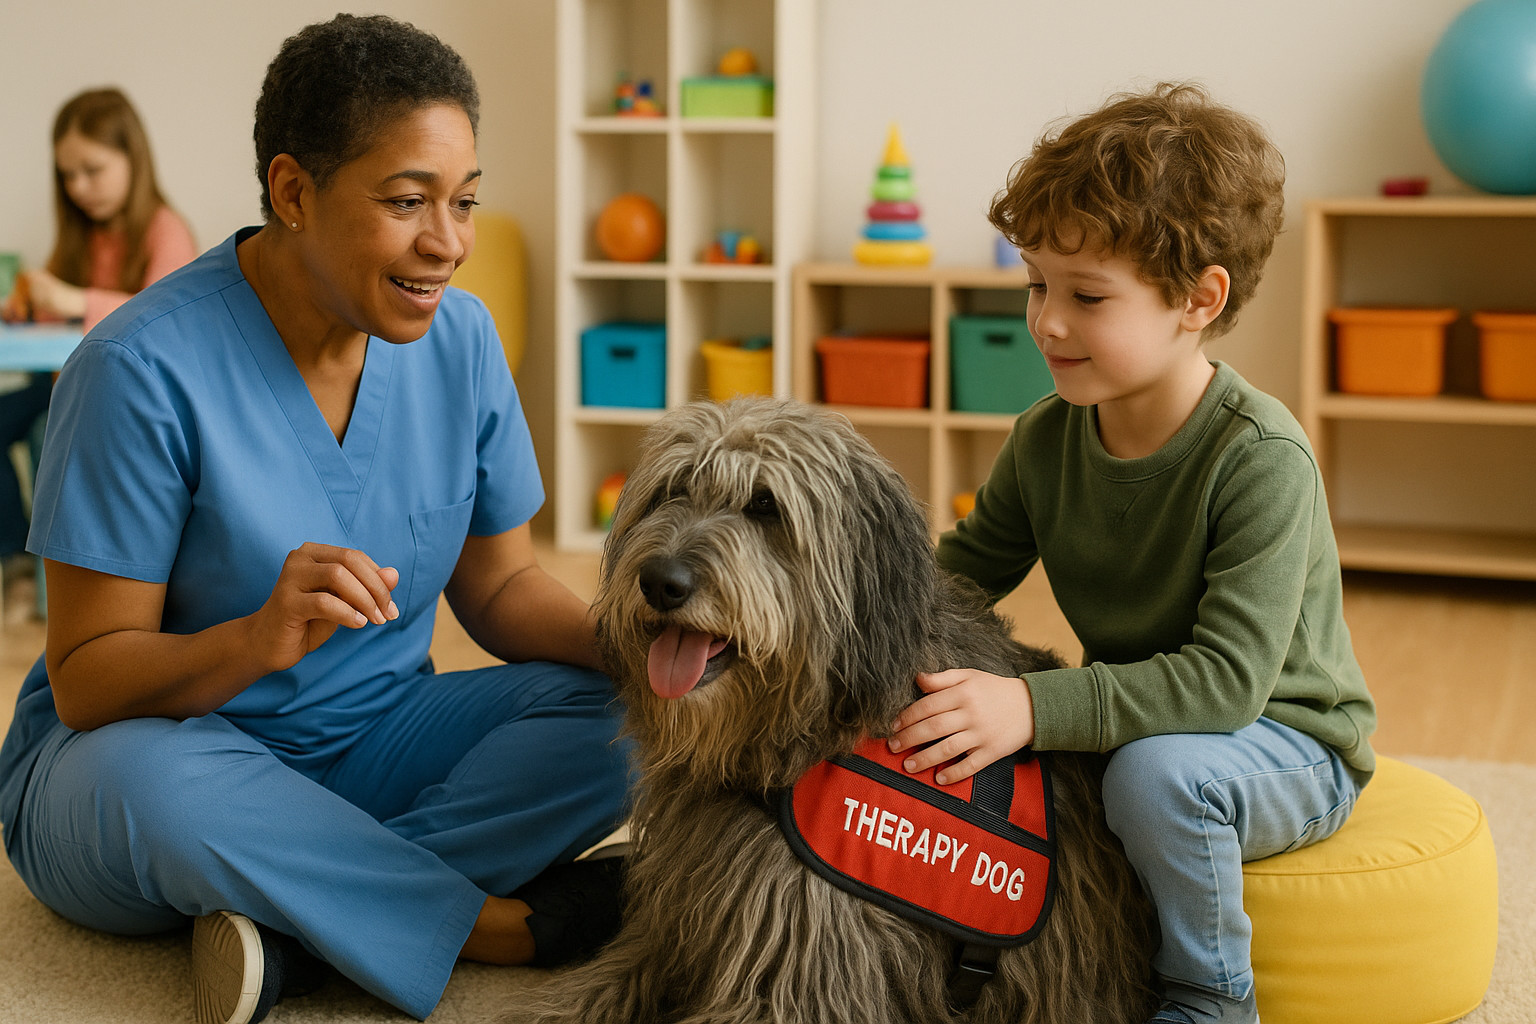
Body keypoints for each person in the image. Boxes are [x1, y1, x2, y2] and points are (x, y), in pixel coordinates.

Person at [0, 15, 632, 1024]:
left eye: (464, 201)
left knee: (635, 713)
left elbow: (504, 589)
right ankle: (497, 926)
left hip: (371, 746)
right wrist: (256, 639)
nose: (449, 242)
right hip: (159, 757)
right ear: (294, 192)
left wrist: (644, 646)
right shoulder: (136, 371)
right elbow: (86, 683)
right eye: (407, 201)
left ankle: (291, 928)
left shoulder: (460, 339)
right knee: (156, 781)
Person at [886, 83, 1377, 1024]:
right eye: (1037, 283)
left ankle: (1208, 998)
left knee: (1152, 777)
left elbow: (1227, 686)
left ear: (1200, 299)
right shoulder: (1047, 437)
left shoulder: (1261, 459)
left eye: (1087, 296)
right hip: (1157, 726)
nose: (1047, 322)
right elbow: (961, 574)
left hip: (1289, 746)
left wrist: (1029, 702)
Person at [0, 87, 197, 589]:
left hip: (119, 394)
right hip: (61, 380)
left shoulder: (164, 229)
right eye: (68, 175)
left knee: (51, 432)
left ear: (133, 158)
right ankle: (14, 557)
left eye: (93, 169)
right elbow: (53, 308)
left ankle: (45, 578)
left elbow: (163, 316)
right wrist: (28, 305)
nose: (79, 187)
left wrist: (74, 301)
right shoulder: (81, 235)